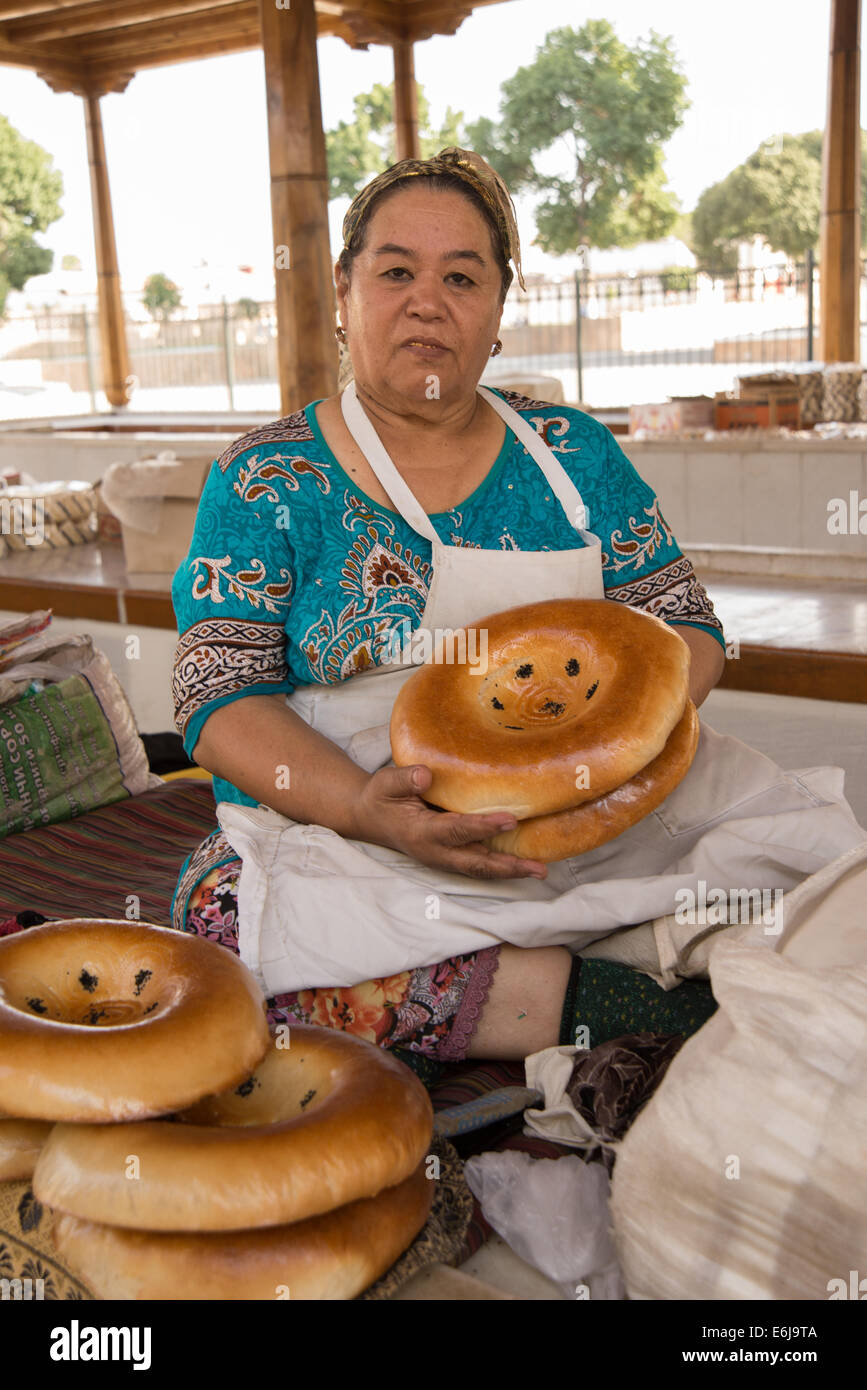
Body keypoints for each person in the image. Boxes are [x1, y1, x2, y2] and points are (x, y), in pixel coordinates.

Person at [170, 149, 863, 1076]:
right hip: (356, 828)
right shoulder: (265, 476)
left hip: (597, 811)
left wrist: (613, 759)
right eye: (396, 272)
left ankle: (597, 958)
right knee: (221, 926)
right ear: (342, 293)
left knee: (810, 868)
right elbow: (217, 695)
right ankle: (608, 997)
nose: (427, 300)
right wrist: (367, 811)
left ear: (497, 310)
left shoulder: (572, 452)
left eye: (462, 276)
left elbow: (685, 624)